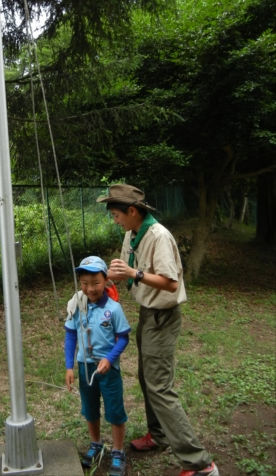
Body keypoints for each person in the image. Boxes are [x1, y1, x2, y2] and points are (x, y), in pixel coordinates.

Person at [96, 184, 220, 476]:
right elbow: (125, 269)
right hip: (147, 313)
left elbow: (171, 283)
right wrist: (103, 276)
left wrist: (134, 274)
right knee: (146, 377)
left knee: (160, 387)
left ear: (132, 211)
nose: (115, 221)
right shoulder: (132, 233)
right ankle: (160, 434)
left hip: (163, 317)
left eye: (116, 215)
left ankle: (200, 464)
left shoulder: (159, 236)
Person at [65, 256, 131, 476]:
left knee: (114, 410)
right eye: (84, 283)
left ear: (106, 281)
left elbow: (123, 337)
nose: (90, 289)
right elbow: (71, 336)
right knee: (90, 408)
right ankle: (96, 443)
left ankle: (118, 452)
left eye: (95, 283)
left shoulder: (113, 309)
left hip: (108, 370)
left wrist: (109, 358)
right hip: (85, 368)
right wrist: (69, 366)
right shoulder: (77, 306)